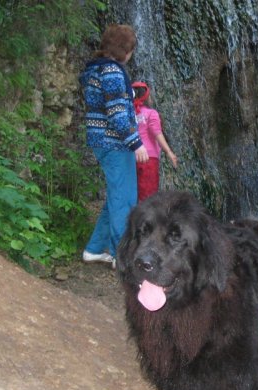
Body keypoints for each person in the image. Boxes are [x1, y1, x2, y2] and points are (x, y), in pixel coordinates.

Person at [79, 24, 148, 266]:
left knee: (116, 198)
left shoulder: (96, 70)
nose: (131, 54)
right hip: (115, 143)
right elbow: (117, 114)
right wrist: (136, 143)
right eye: (130, 49)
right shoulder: (113, 72)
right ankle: (123, 257)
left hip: (103, 141)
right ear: (124, 50)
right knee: (124, 201)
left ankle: (95, 249)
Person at [131, 81, 178, 201]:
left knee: (135, 193)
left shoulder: (130, 114)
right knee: (149, 195)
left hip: (132, 158)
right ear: (147, 97)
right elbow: (157, 133)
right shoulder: (151, 113)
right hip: (148, 159)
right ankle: (146, 219)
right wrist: (169, 152)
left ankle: (134, 218)